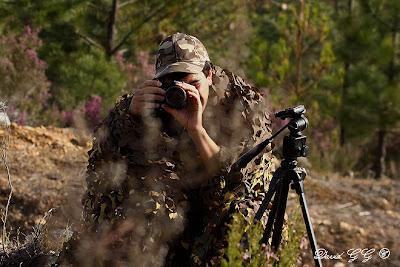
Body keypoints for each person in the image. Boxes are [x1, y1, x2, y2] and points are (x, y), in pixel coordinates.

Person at [80, 32, 275, 266]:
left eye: (193, 83)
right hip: (177, 208)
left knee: (244, 215)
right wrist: (129, 119)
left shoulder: (242, 107)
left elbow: (237, 176)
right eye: (172, 84)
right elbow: (101, 169)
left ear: (209, 74)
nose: (184, 92)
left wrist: (196, 129)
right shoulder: (149, 103)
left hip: (223, 202)